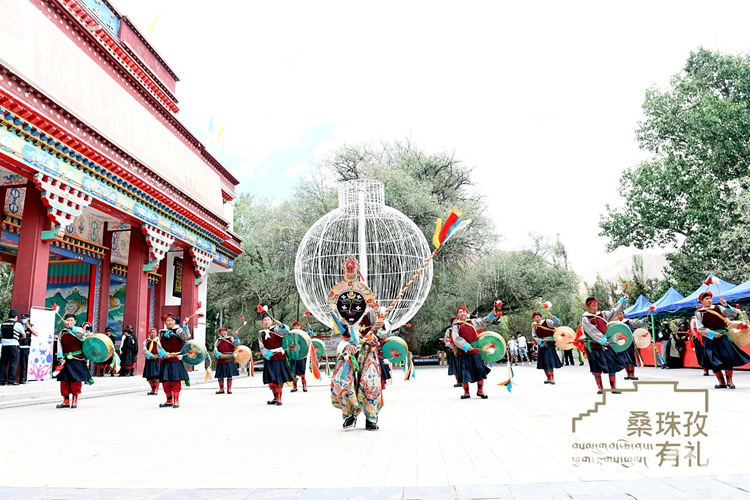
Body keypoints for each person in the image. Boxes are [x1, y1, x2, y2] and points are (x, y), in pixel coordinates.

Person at [694, 291, 750, 389]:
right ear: (701, 301)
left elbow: (732, 314)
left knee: (728, 358)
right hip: (709, 339)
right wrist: (713, 334)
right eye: (706, 299)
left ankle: (730, 381)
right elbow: (699, 328)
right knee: (714, 361)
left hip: (723, 338)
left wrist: (726, 305)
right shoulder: (699, 313)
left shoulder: (719, 308)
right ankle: (722, 382)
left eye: (710, 298)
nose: (709, 300)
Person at [450, 305, 500, 400]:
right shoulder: (456, 326)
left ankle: (480, 391)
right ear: (458, 315)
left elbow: (484, 321)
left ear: (467, 313)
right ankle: (466, 392)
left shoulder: (473, 322)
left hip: (474, 351)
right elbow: (456, 338)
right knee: (464, 372)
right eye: (460, 312)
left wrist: (491, 315)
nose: (462, 313)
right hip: (462, 352)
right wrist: (466, 346)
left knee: (480, 370)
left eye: (464, 311)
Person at [581, 295, 628, 394]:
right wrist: (602, 341)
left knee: (612, 365)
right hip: (594, 347)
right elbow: (592, 331)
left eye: (596, 305)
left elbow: (614, 311)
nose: (595, 308)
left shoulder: (602, 315)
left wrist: (622, 301)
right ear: (587, 307)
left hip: (606, 345)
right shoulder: (585, 318)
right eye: (593, 306)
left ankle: (613, 387)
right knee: (596, 368)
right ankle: (600, 387)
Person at [55, 313, 93, 408]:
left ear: (75, 322)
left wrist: (71, 327)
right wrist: (60, 357)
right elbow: (59, 346)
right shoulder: (61, 333)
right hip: (65, 360)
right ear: (64, 321)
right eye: (67, 320)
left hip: (77, 360)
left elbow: (82, 334)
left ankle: (75, 400)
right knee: (64, 381)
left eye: (71, 320)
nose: (69, 322)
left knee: (75, 381)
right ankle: (66, 401)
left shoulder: (80, 330)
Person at [258, 312, 292, 405]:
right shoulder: (261, 333)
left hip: (279, 356)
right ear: (262, 322)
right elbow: (261, 346)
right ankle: (275, 397)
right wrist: (268, 354)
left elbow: (286, 331)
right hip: (269, 357)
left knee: (279, 377)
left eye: (268, 320)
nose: (266, 322)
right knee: (271, 378)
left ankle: (279, 397)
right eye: (265, 320)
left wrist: (281, 325)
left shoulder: (277, 329)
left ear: (271, 321)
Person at [157, 313, 191, 408]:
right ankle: (169, 400)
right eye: (168, 320)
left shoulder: (178, 330)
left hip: (176, 359)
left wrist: (185, 325)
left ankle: (176, 399)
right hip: (165, 360)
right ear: (165, 322)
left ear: (174, 321)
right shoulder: (161, 332)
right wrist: (163, 354)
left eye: (172, 320)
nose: (170, 322)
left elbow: (186, 336)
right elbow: (158, 345)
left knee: (175, 381)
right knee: (166, 381)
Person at [531, 311, 562, 384]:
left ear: (540, 317)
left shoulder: (547, 322)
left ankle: (552, 378)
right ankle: (548, 378)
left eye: (538, 317)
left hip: (549, 344)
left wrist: (553, 318)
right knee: (544, 362)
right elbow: (534, 336)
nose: (537, 318)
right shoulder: (534, 326)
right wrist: (541, 340)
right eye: (535, 317)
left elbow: (556, 324)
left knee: (549, 361)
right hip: (541, 345)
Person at [615, 311, 647, 380]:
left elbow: (637, 323)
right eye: (618, 314)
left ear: (623, 315)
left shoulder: (628, 322)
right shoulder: (615, 324)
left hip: (629, 343)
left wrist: (643, 321)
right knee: (624, 360)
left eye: (621, 314)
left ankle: (632, 374)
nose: (619, 316)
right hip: (621, 345)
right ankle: (628, 374)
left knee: (630, 359)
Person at [0, 310, 25, 385]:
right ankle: (11, 380)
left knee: (3, 363)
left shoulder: (2, 324)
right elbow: (24, 335)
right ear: (16, 317)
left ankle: (2, 380)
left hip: (4, 345)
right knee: (13, 362)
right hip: (14, 345)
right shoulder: (18, 324)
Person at [214, 326, 239, 394]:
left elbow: (237, 344)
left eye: (224, 331)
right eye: (221, 332)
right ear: (220, 333)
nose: (223, 333)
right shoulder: (218, 340)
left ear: (226, 332)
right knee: (220, 375)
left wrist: (236, 337)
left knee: (229, 375)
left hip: (229, 359)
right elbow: (215, 349)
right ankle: (221, 389)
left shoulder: (231, 339)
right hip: (221, 360)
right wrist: (219, 354)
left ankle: (229, 389)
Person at [16, 313, 38, 384]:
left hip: (26, 347)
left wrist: (29, 327)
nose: (23, 320)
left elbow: (36, 334)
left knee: (24, 363)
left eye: (25, 318)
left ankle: (22, 379)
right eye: (22, 318)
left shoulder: (31, 325)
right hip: (17, 346)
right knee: (15, 363)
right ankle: (13, 379)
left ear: (28, 318)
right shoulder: (18, 325)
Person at [288, 321, 308, 393]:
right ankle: (294, 386)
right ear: (293, 327)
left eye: (297, 326)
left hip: (302, 355)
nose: (296, 327)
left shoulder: (303, 334)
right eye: (295, 326)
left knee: (303, 371)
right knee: (293, 371)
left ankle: (304, 385)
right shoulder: (290, 335)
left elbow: (309, 338)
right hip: (293, 356)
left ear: (300, 327)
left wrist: (310, 330)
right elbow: (287, 343)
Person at [443, 316, 461, 387]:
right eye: (454, 321)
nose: (455, 322)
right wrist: (449, 344)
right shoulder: (449, 330)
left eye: (456, 321)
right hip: (453, 351)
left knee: (462, 366)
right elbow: (445, 339)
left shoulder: (461, 328)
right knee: (455, 367)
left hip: (461, 350)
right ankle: (458, 381)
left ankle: (463, 381)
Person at [142, 328, 161, 395]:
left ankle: (156, 389)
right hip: (149, 360)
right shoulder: (146, 341)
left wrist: (160, 355)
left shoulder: (159, 341)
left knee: (156, 376)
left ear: (156, 333)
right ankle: (152, 389)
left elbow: (162, 349)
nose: (152, 334)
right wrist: (149, 355)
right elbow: (144, 350)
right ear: (149, 333)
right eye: (151, 332)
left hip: (157, 360)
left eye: (154, 332)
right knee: (149, 376)